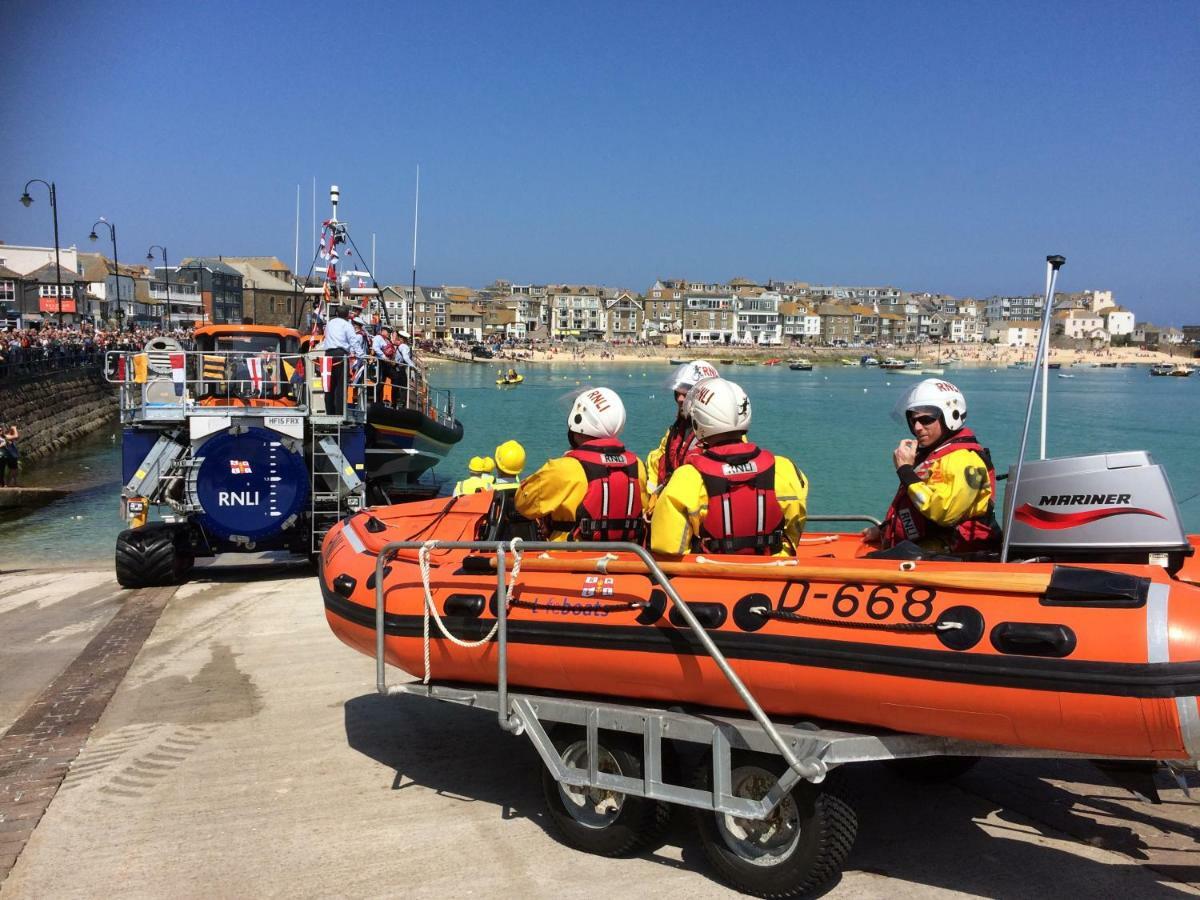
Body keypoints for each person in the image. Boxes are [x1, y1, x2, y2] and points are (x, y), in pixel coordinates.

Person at [651, 378, 808, 557]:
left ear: (697, 422)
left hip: (712, 576)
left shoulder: (688, 477)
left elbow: (667, 546)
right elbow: (794, 528)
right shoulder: (785, 470)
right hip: (773, 574)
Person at [862, 378, 1000, 554]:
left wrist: (905, 471)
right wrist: (885, 530)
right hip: (926, 549)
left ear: (951, 416)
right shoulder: (937, 455)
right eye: (913, 421)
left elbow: (944, 512)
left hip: (956, 555)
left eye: (926, 419)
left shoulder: (963, 460)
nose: (918, 427)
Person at [515, 387, 647, 542]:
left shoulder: (564, 468)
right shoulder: (637, 466)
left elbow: (523, 504)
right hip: (624, 558)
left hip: (571, 559)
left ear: (578, 424)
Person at [646, 359, 721, 496]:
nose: (680, 399)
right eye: (677, 393)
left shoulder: (723, 434)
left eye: (687, 393)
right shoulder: (676, 430)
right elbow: (658, 462)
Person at [321, 306, 356, 415]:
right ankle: (340, 413)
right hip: (341, 355)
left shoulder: (329, 324)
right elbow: (353, 341)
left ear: (336, 313)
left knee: (328, 386)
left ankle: (329, 412)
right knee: (341, 385)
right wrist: (361, 355)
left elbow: (326, 336)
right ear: (347, 315)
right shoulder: (347, 325)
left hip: (328, 355)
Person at [0, 423, 17, 487]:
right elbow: (16, 436)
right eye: (0, 430)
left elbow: (14, 437)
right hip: (2, 457)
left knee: (2, 472)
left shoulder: (4, 437)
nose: (1, 431)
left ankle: (4, 485)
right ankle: (3, 485)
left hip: (4, 457)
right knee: (2, 471)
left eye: (1, 430)